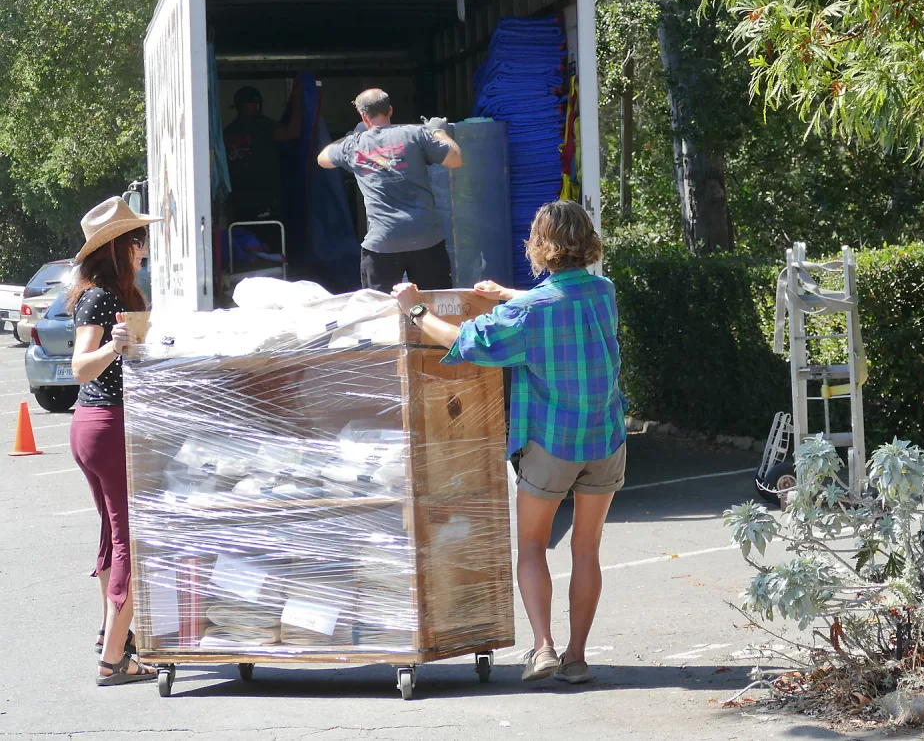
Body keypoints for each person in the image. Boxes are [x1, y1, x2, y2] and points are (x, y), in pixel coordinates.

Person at [391, 200, 624, 685]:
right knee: (587, 549)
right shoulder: (604, 292)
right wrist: (505, 294)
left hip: (550, 443)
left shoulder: (527, 313)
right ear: (588, 241)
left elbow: (459, 341)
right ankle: (578, 657)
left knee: (533, 546)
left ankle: (544, 649)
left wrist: (413, 307)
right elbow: (563, 299)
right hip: (605, 438)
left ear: (540, 246)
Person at [67, 196, 162, 686]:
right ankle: (113, 657)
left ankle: (114, 635)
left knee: (112, 532)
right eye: (139, 241)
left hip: (93, 427)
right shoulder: (101, 298)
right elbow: (81, 366)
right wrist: (113, 345)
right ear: (121, 247)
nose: (144, 249)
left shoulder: (111, 294)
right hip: (107, 424)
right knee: (130, 539)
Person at [316, 88, 462, 292]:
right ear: (390, 110)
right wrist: (437, 132)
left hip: (382, 244)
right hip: (426, 239)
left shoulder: (353, 145)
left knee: (380, 312)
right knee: (435, 307)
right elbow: (455, 158)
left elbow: (322, 159)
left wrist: (353, 137)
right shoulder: (416, 134)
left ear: (363, 116)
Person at [223, 84, 302, 223]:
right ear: (256, 104)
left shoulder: (228, 132)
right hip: (265, 201)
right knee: (269, 239)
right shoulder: (263, 125)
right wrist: (299, 102)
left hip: (239, 203)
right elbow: (292, 132)